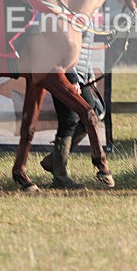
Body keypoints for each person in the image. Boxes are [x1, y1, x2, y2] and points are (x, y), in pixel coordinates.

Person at [40, 28, 104, 188]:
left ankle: (53, 160)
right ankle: (60, 177)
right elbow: (63, 48)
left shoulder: (87, 14)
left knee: (94, 113)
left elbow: (82, 48)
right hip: (64, 73)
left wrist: (88, 72)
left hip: (81, 74)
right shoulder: (68, 15)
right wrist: (72, 77)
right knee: (69, 120)